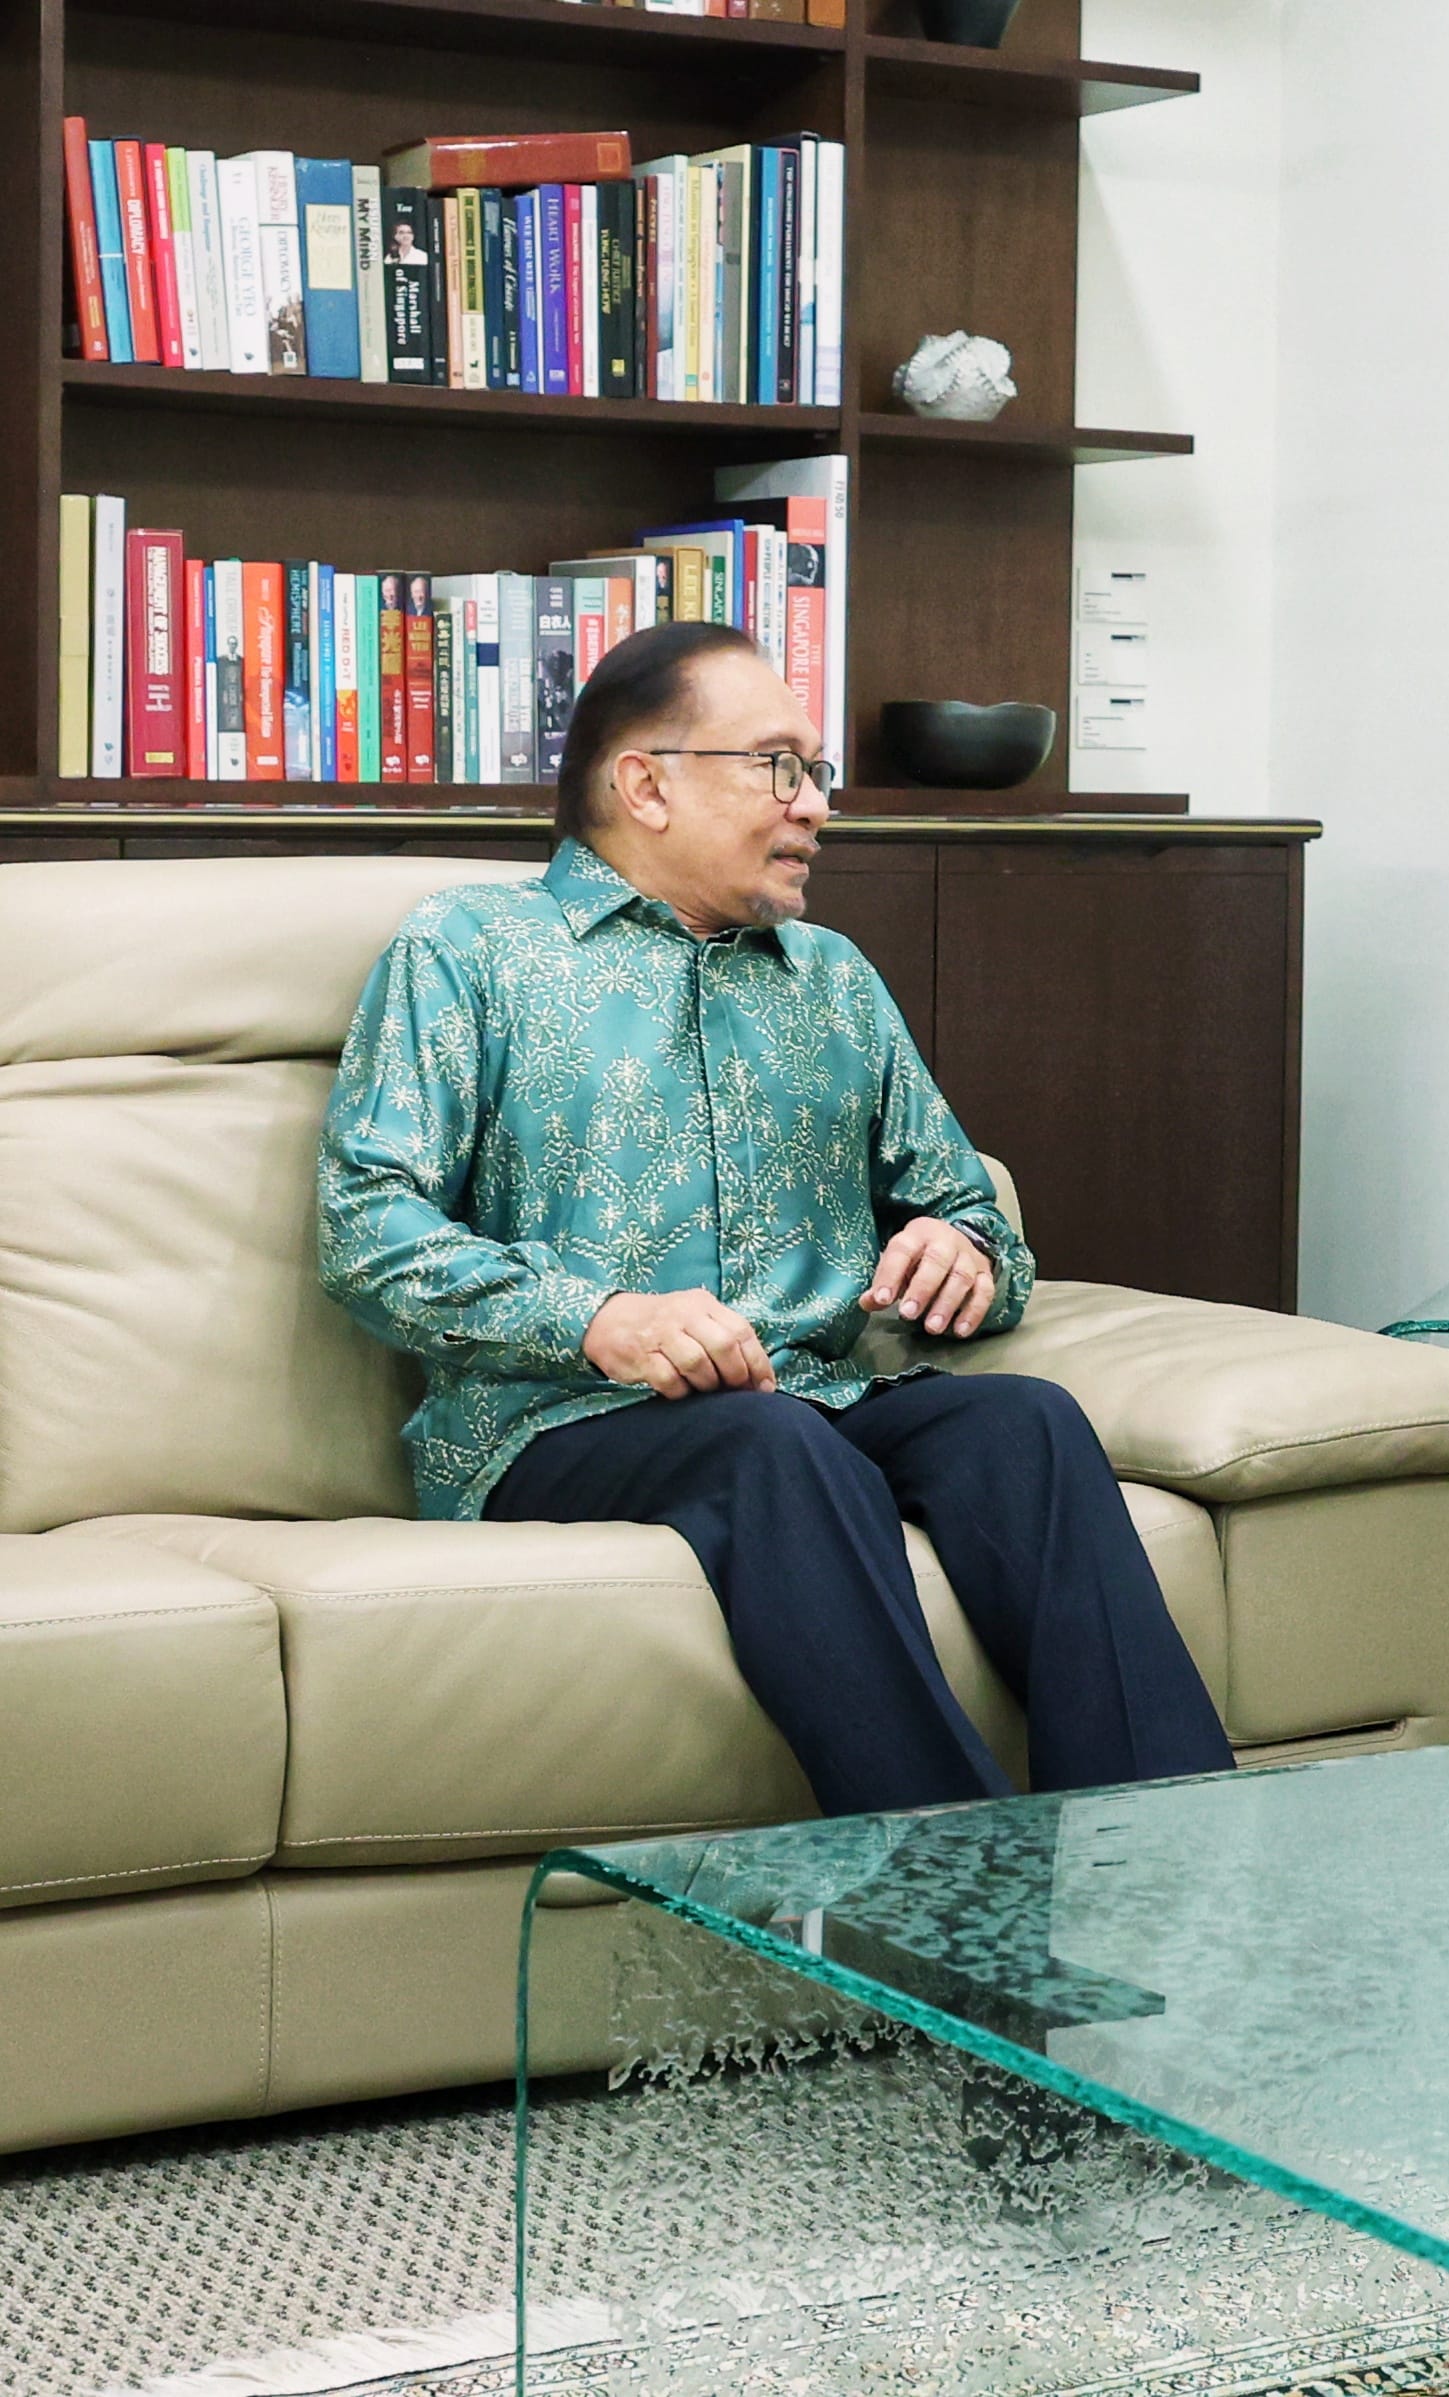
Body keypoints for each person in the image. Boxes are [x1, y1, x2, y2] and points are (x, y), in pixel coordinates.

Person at [319, 620, 1234, 1815]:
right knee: (771, 1448)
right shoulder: (471, 949)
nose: (815, 805)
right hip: (558, 1420)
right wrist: (601, 1320)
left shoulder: (832, 978)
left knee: (1025, 1424)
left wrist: (962, 1250)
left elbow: (966, 1206)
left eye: (816, 772)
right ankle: (951, 1899)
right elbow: (367, 1225)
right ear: (646, 785)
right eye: (779, 767)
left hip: (818, 1403)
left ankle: (1177, 1868)